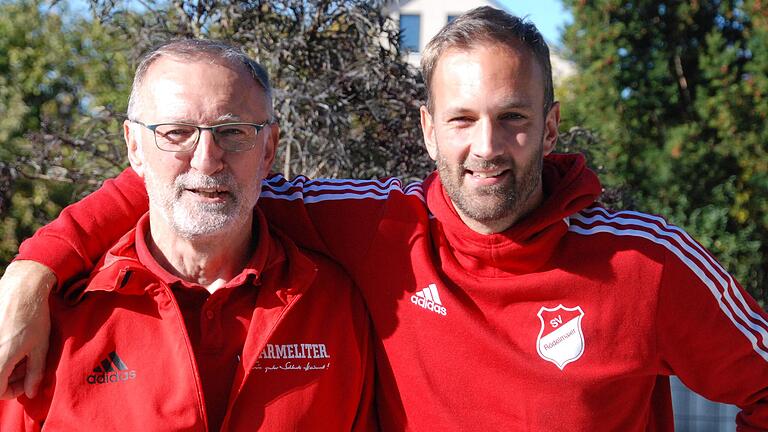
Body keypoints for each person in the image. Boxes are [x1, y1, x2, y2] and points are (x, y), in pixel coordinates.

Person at [2, 6, 767, 430]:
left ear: (554, 124)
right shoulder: (371, 227)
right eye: (462, 118)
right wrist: (39, 267)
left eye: (514, 118)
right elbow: (201, 185)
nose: (488, 148)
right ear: (428, 128)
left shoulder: (647, 262)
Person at [0, 39, 375, 431]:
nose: (207, 159)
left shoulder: (333, 304)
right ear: (134, 147)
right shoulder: (57, 318)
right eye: (177, 132)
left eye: (233, 131)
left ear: (268, 150)